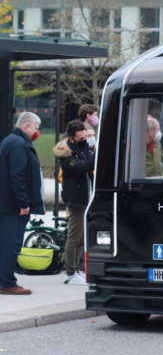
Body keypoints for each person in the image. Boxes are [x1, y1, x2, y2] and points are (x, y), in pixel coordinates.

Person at [0, 112, 45, 295]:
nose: (37, 131)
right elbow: (17, 176)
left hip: (7, 203)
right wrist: (24, 203)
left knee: (5, 243)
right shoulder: (19, 144)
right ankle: (7, 282)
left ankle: (4, 279)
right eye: (36, 127)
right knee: (12, 244)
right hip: (14, 206)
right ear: (27, 126)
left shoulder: (9, 141)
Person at [53, 120, 95, 285]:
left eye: (86, 136)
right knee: (74, 236)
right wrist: (96, 152)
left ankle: (77, 269)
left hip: (86, 197)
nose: (85, 139)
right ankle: (70, 272)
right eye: (81, 138)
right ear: (71, 139)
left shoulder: (80, 148)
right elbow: (83, 167)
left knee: (82, 238)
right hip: (76, 199)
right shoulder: (67, 154)